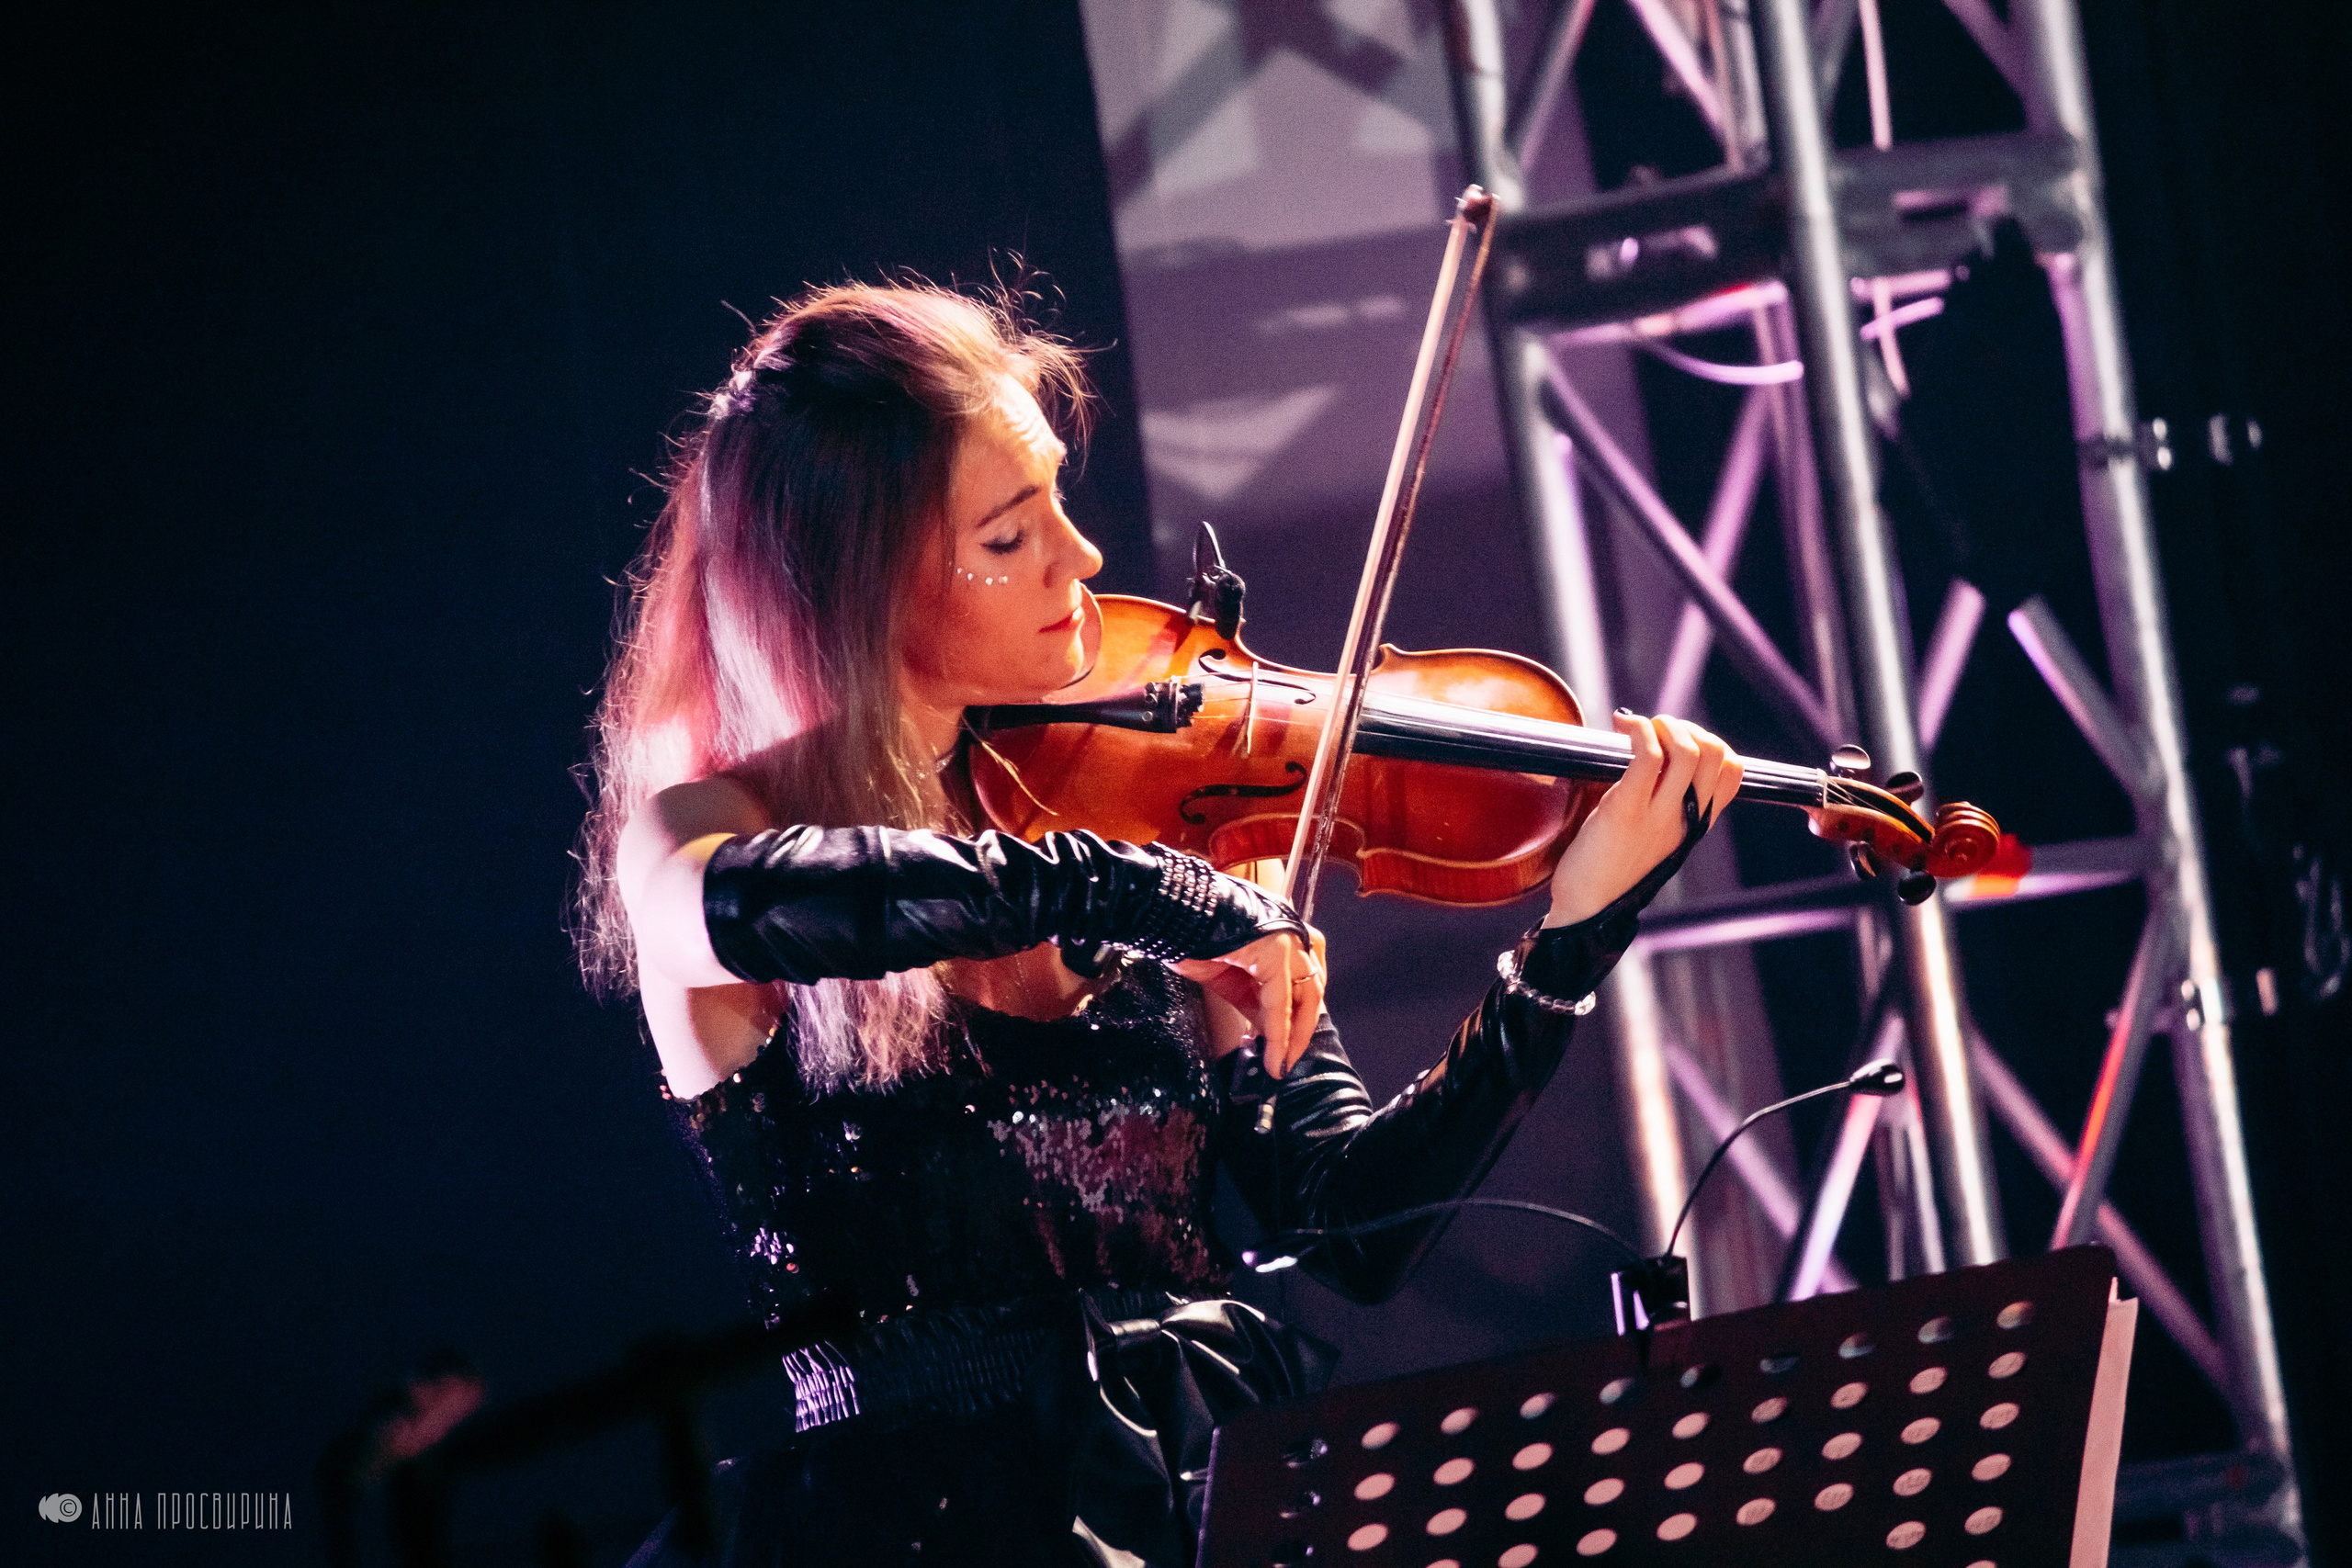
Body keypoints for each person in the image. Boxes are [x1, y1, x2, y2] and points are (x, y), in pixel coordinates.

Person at [575, 281, 1744, 1567]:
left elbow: (1350, 1227)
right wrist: (1158, 892)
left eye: (1059, 506)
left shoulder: (1136, 814)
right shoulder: (699, 836)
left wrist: (1569, 945)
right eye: (1011, 538)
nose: (1081, 561)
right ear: (861, 587)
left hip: (1200, 1503)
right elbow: (794, 899)